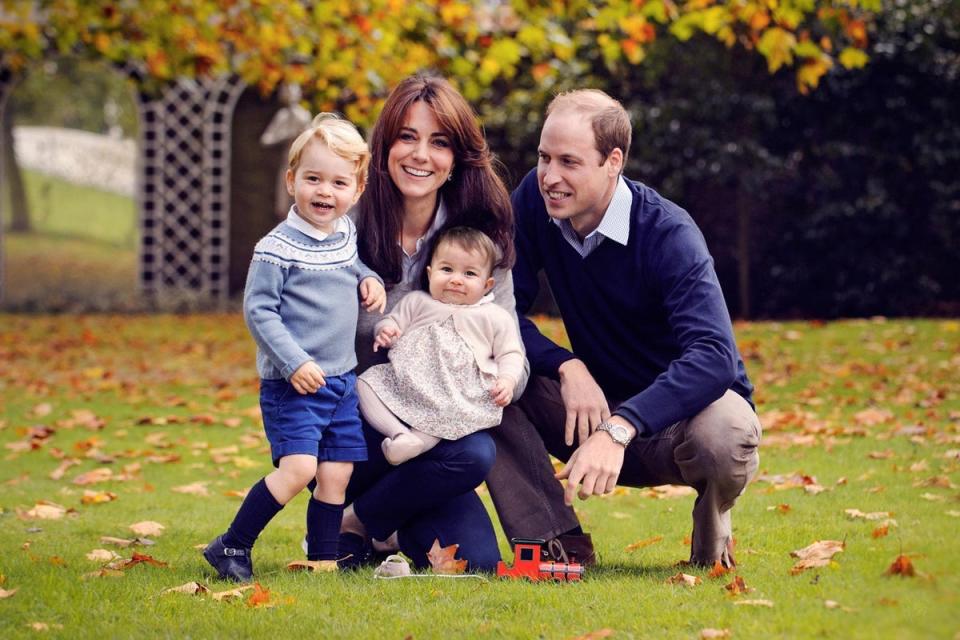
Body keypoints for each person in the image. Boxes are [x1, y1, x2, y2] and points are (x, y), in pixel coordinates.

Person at [486, 90, 761, 569]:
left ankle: (711, 543)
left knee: (728, 431)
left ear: (613, 161)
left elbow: (715, 355)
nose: (550, 177)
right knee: (485, 373)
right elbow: (496, 310)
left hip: (678, 424)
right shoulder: (534, 200)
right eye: (544, 157)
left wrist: (620, 427)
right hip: (588, 409)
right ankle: (557, 544)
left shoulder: (669, 234)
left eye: (569, 162)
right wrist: (566, 365)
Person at [340, 73, 528, 572]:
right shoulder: (345, 225)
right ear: (384, 146)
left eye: (438, 142)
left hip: (439, 439)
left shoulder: (477, 241)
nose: (421, 155)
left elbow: (509, 344)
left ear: (456, 159)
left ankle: (359, 522)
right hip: (356, 429)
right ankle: (363, 513)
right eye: (407, 137)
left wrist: (498, 380)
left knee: (478, 555)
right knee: (461, 454)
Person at [203, 113, 386, 582]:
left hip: (341, 380)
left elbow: (352, 265)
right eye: (313, 179)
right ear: (292, 181)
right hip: (294, 384)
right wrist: (294, 361)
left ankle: (323, 560)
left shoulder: (343, 234)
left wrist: (368, 278)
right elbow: (259, 311)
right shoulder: (275, 248)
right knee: (300, 468)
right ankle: (231, 545)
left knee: (336, 475)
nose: (325, 192)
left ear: (357, 189)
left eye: (338, 182)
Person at [358, 226, 525, 465]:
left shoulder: (494, 317)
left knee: (446, 413)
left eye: (469, 274)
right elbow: (392, 321)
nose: (456, 279)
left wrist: (507, 380)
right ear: (429, 273)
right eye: (446, 269)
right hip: (407, 381)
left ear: (487, 285)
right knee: (364, 384)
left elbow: (510, 353)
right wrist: (386, 331)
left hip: (455, 391)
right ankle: (399, 435)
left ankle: (416, 442)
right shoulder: (417, 302)